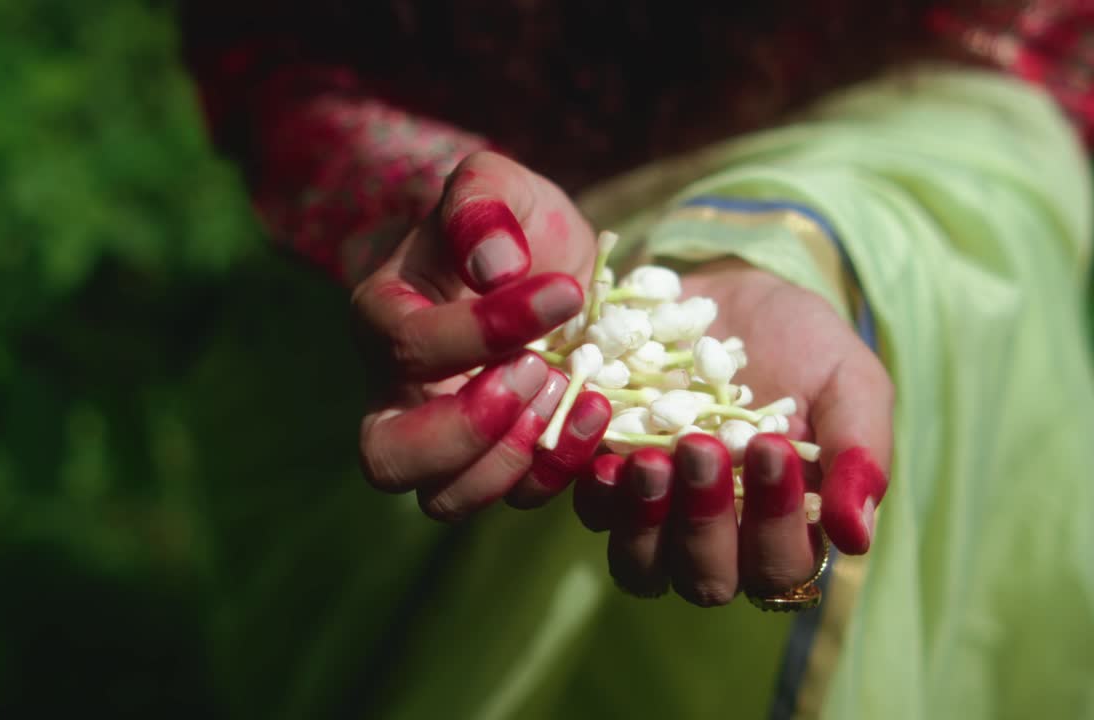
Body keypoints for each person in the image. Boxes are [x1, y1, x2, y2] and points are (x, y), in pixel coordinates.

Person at [181, 2, 1094, 717]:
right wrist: (442, 213)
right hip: (401, 320)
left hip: (862, 170)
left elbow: (1036, 57)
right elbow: (266, 48)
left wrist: (793, 245)